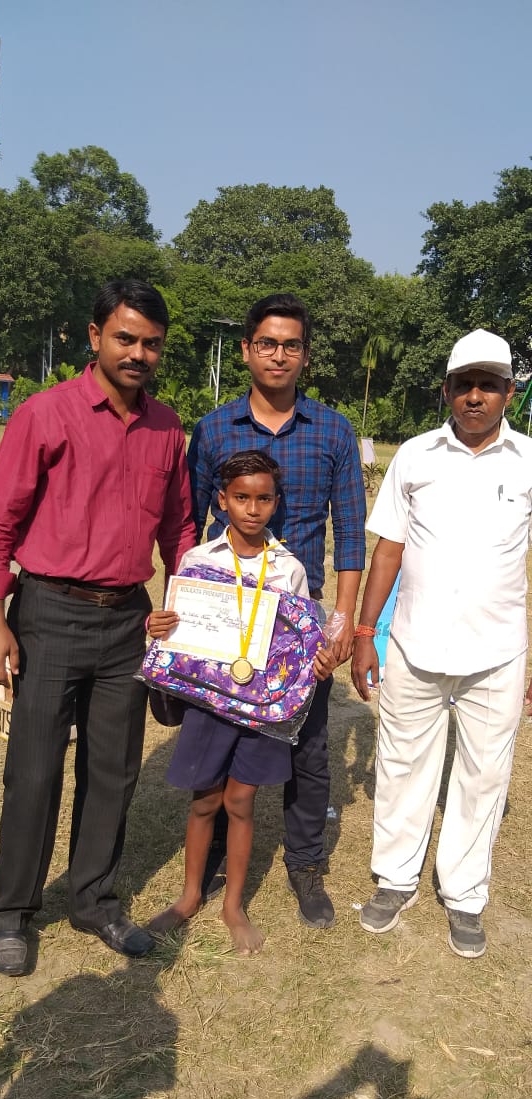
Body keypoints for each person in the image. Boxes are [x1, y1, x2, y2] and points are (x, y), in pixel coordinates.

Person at [0, 278, 196, 976]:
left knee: (114, 772)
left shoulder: (166, 429)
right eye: (125, 338)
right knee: (34, 770)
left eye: (151, 344)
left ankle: (94, 900)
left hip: (128, 619)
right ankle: (12, 912)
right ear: (96, 336)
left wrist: (186, 608)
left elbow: (179, 530)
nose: (138, 354)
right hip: (49, 612)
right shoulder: (45, 414)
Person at [351, 328, 532, 959]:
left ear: (510, 391)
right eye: (464, 384)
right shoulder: (415, 456)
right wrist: (365, 633)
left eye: (489, 385)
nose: (475, 396)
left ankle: (465, 893)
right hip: (414, 643)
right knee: (403, 764)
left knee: (484, 776)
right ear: (448, 390)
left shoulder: (528, 460)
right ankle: (395, 878)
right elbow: (389, 549)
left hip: (498, 651)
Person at [188, 294, 366, 928]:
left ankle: (305, 865)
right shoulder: (213, 430)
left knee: (307, 749)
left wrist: (340, 625)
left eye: (291, 345)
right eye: (267, 343)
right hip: (227, 616)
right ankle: (211, 857)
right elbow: (189, 526)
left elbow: (351, 534)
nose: (279, 355)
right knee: (219, 735)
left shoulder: (333, 431)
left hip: (299, 622)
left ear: (305, 356)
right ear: (246, 350)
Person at [146, 450, 334, 954]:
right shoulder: (198, 560)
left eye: (264, 499)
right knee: (205, 799)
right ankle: (190, 896)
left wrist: (317, 658)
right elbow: (176, 629)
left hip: (260, 710)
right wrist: (158, 626)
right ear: (222, 500)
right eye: (242, 498)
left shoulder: (288, 569)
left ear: (277, 502)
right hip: (210, 703)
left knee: (240, 801)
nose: (253, 509)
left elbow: (300, 641)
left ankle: (233, 906)